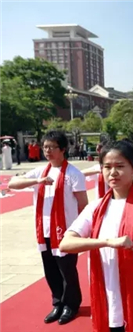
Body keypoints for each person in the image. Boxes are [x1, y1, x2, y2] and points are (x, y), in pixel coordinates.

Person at [59, 140, 133, 332]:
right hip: (108, 300)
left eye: (120, 166)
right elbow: (65, 244)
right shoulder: (95, 208)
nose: (113, 172)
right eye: (107, 167)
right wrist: (107, 242)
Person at [8, 130, 88, 325]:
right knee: (50, 269)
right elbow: (13, 183)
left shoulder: (73, 174)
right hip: (44, 230)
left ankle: (71, 304)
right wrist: (37, 181)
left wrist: (79, 231)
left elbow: (83, 205)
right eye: (45, 147)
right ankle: (57, 303)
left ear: (63, 149)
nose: (47, 151)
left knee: (67, 271)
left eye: (52, 147)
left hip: (66, 232)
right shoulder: (40, 172)